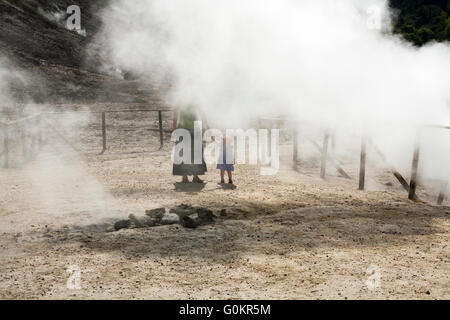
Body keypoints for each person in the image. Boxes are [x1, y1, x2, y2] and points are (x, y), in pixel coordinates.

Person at [172, 104, 207, 183]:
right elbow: (175, 116)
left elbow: (201, 114)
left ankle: (192, 176)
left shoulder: (192, 100)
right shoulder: (181, 100)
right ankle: (188, 177)